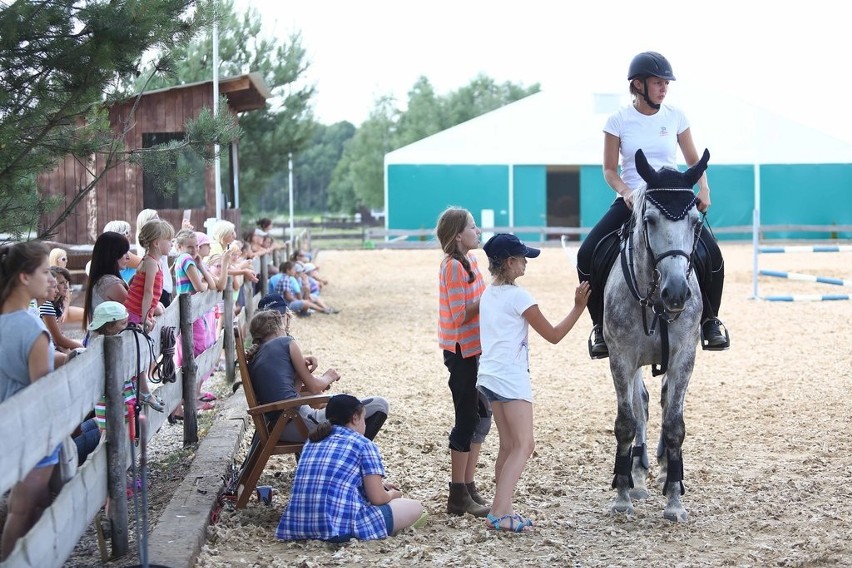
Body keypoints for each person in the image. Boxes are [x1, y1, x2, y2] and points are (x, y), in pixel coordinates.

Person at [576, 51, 729, 358]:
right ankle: (598, 326)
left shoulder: (676, 116)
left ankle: (710, 320)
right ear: (638, 85)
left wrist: (705, 189)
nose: (664, 88)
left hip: (673, 198)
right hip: (633, 199)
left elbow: (694, 161)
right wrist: (626, 192)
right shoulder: (617, 120)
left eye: (666, 83)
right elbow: (609, 170)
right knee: (587, 252)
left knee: (712, 255)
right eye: (658, 82)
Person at [477, 233, 590, 532]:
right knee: (525, 445)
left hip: (488, 375)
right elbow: (553, 335)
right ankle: (499, 514)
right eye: (523, 258)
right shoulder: (520, 296)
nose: (527, 262)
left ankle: (502, 508)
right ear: (511, 262)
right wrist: (578, 307)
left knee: (508, 446)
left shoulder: (488, 293)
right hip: (511, 378)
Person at [276, 394, 427, 542]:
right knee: (416, 507)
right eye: (363, 418)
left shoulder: (312, 441)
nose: (365, 424)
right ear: (355, 418)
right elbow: (378, 499)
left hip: (297, 527)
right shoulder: (364, 444)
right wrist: (393, 494)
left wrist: (380, 487)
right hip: (338, 529)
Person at [245, 308, 389, 443]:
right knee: (379, 404)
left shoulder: (257, 356)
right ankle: (353, 455)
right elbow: (314, 387)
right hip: (300, 422)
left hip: (281, 427)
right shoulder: (285, 342)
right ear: (278, 328)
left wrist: (298, 371)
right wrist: (329, 376)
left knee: (350, 407)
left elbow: (291, 393)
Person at [0, 241, 57, 560]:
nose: (50, 279)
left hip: (8, 429)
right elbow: (41, 392)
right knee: (23, 512)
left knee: (24, 509)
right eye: (45, 272)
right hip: (34, 437)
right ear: (24, 277)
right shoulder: (32, 328)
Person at [435, 207, 491, 518]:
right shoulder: (453, 266)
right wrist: (492, 295)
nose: (477, 230)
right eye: (472, 226)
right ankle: (457, 494)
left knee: (480, 415)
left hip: (474, 349)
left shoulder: (470, 261)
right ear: (459, 235)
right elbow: (460, 315)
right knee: (466, 418)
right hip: (460, 352)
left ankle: (468, 485)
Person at [125, 219, 173, 332]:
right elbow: (148, 292)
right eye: (169, 240)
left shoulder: (154, 261)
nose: (171, 244)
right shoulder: (151, 263)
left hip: (139, 312)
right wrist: (145, 316)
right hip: (136, 314)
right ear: (156, 243)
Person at [82, 231, 130, 331]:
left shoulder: (101, 280)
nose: (128, 257)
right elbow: (136, 309)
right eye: (123, 253)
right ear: (111, 255)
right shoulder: (109, 283)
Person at [40, 266, 85, 352]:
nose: (66, 287)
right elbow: (58, 340)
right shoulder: (46, 304)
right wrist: (82, 347)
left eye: (66, 282)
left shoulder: (57, 304)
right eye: (61, 283)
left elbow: (59, 336)